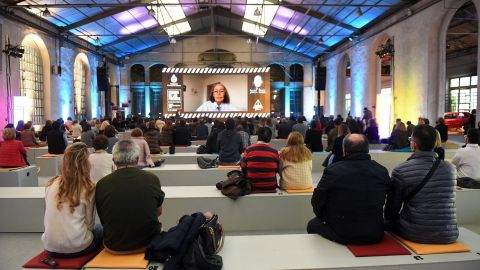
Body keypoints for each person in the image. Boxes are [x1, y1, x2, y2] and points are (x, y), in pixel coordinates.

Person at [308, 134, 390, 244]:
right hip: (375, 232)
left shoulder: (333, 171)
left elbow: (317, 202)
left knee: (312, 225)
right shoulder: (382, 171)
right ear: (367, 149)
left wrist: (326, 218)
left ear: (344, 150)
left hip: (342, 232)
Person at [385, 124, 458, 244]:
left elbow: (391, 210)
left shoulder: (401, 170)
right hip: (449, 233)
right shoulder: (450, 169)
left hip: (415, 232)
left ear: (413, 144)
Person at [95, 140, 165, 253]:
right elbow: (158, 212)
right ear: (137, 159)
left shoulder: (102, 184)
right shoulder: (152, 179)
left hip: (114, 245)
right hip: (149, 242)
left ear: (113, 160)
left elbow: (103, 219)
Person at [41, 142, 102, 257]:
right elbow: (89, 224)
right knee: (100, 229)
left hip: (49, 246)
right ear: (86, 163)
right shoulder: (88, 187)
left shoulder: (51, 183)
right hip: (77, 247)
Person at [241, 127, 280, 193]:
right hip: (270, 187)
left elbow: (243, 168)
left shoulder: (248, 150)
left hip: (251, 187)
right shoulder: (274, 152)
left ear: (258, 137)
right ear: (270, 138)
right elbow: (276, 170)